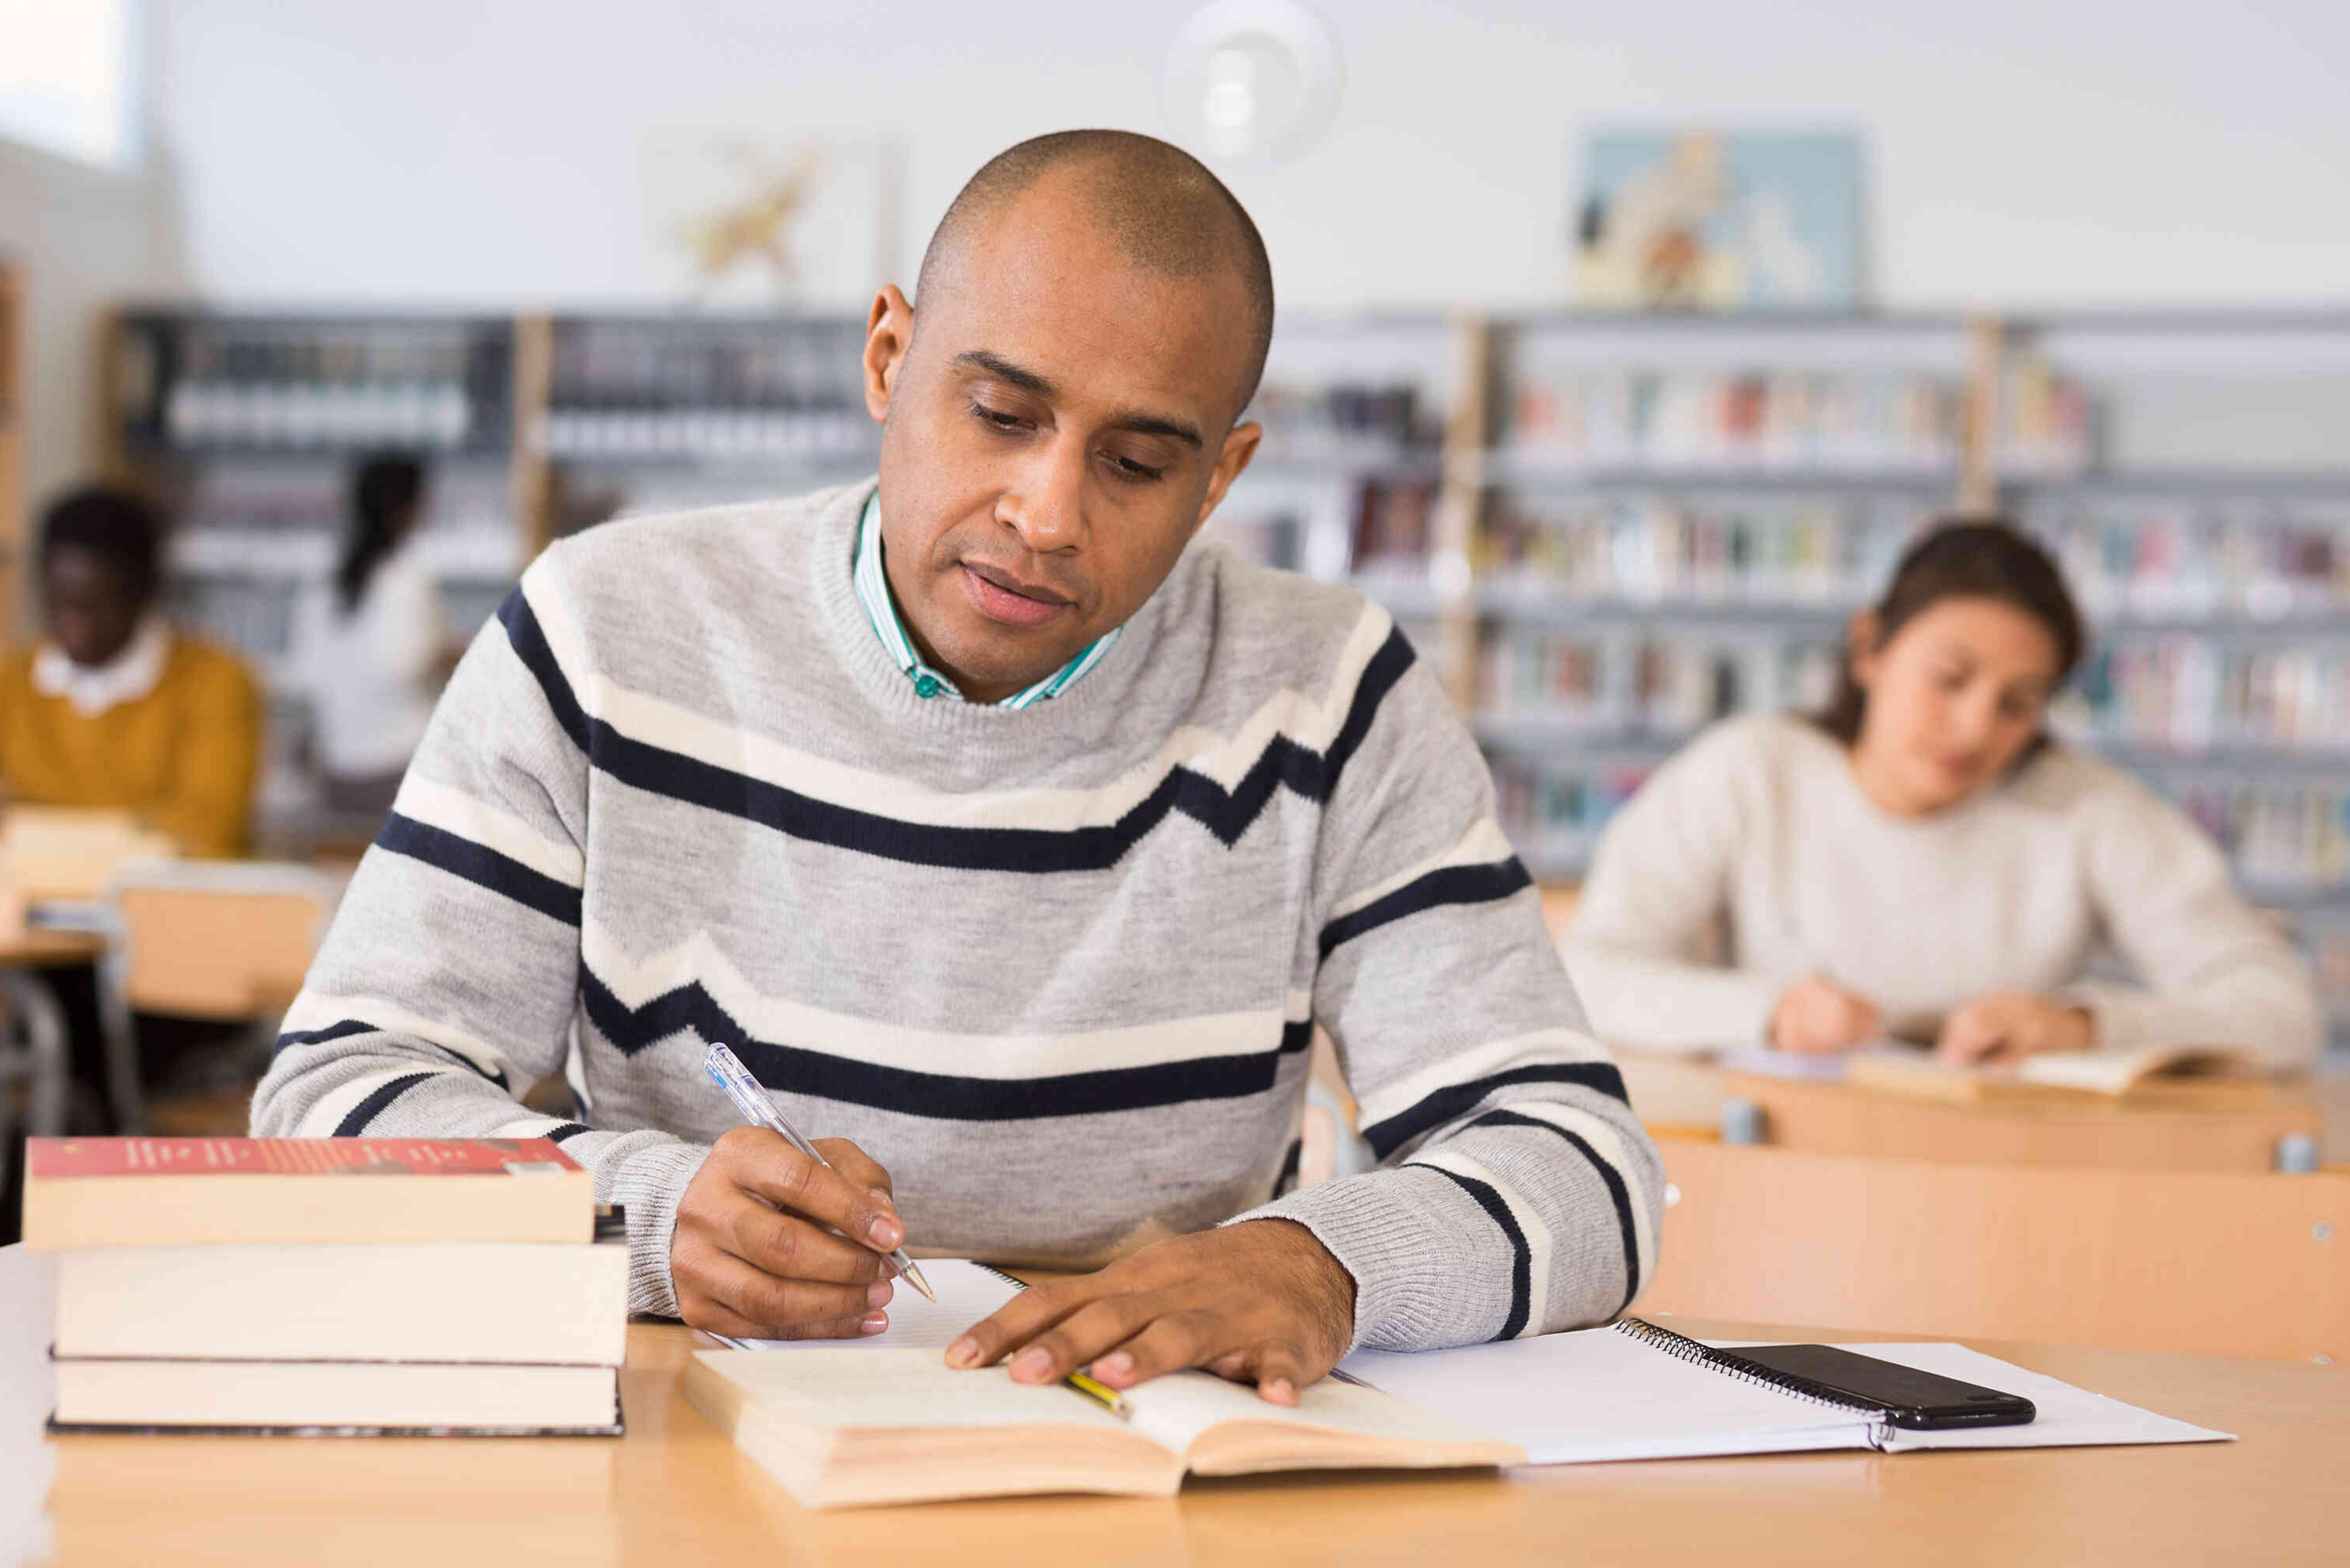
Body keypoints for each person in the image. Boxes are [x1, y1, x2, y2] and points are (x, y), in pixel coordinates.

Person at [256, 130, 1658, 1406]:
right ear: (886, 360)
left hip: (1148, 1469)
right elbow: (329, 1103)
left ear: (1219, 477)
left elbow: (1588, 1172)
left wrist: (1319, 1265)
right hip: (699, 1450)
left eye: (1134, 463)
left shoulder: (1329, 692)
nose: (1044, 514)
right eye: (999, 414)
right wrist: (643, 1213)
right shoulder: (608, 633)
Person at [1560, 521, 2322, 1069]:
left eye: (2017, 703)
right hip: (1782, 1140)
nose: (1974, 726)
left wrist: (2086, 1025)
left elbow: (2279, 1010)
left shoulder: (2084, 811)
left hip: (2004, 1168)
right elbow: (1587, 973)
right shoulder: (1751, 771)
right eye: (1949, 679)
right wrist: (1766, 1011)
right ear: (1869, 649)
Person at [0, 485, 262, 858]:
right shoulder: (4, 679)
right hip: (29, 931)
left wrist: (14, 828)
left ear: (144, 594)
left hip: (163, 927)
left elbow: (207, 832)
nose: (73, 627)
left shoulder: (216, 681)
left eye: (96, 605)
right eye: (59, 604)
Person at [294, 453, 452, 818]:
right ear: (409, 508)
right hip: (401, 769)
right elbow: (406, 664)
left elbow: (306, 674)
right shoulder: (407, 580)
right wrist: (451, 653)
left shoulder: (324, 581)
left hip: (335, 769)